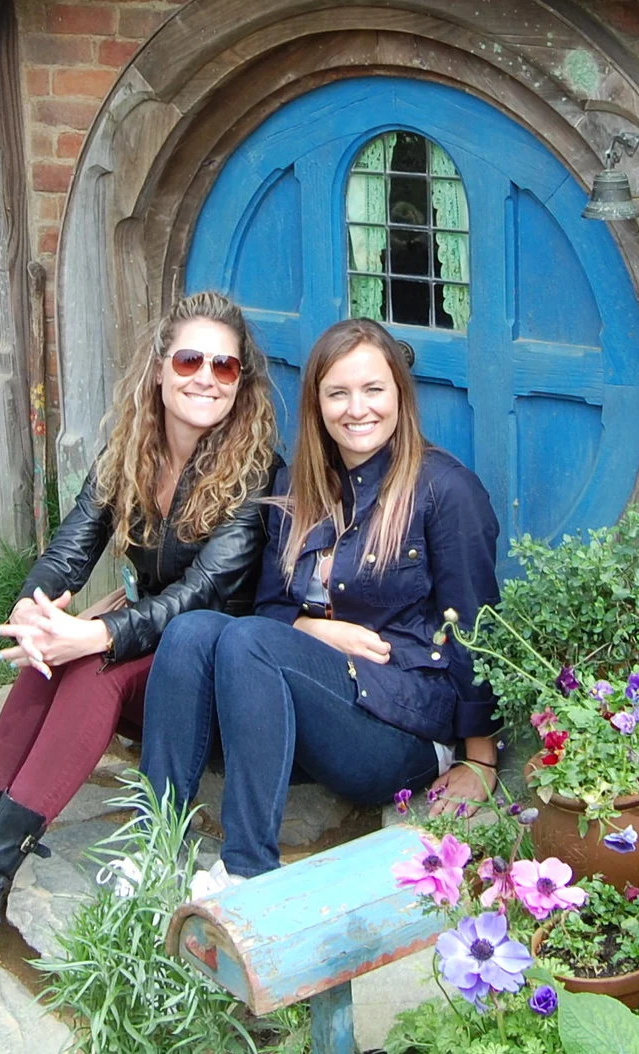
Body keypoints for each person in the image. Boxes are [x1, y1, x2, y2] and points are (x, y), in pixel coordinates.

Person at [0, 290, 282, 957]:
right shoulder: (131, 448)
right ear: (160, 369)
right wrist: (34, 608)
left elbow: (203, 592)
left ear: (241, 384)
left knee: (90, 662)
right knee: (52, 655)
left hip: (203, 676)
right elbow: (74, 545)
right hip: (147, 645)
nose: (205, 379)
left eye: (225, 367)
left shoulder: (252, 471)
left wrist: (96, 634)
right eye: (190, 360)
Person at [140, 317, 501, 880]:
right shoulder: (295, 486)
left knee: (251, 642)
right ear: (317, 404)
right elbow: (270, 609)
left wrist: (480, 760)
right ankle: (155, 851)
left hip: (397, 727)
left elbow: (476, 629)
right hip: (314, 707)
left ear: (399, 396)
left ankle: (246, 872)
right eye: (338, 393)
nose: (357, 408)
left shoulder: (444, 490)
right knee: (194, 629)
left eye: (373, 390)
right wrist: (310, 630)